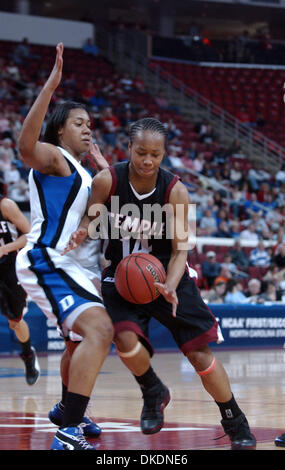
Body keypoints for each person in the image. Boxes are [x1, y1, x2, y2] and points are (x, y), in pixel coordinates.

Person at [67, 117, 256, 450]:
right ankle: (152, 390)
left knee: (200, 355)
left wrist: (169, 284)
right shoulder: (106, 180)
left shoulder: (176, 191)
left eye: (155, 154)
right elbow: (92, 217)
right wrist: (84, 228)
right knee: (123, 337)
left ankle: (234, 418)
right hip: (122, 277)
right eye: (141, 152)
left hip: (169, 274)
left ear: (164, 154)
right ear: (129, 148)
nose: (147, 160)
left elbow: (182, 249)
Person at [15, 43, 114, 451]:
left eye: (89, 122)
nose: (88, 128)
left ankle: (67, 409)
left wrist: (105, 167)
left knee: (79, 340)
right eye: (78, 122)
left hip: (74, 265)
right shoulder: (55, 157)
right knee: (100, 329)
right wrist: (50, 88)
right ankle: (68, 430)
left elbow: (103, 209)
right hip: (48, 257)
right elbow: (25, 148)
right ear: (60, 130)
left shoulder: (86, 171)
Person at [0, 196, 40, 385]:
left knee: (15, 322)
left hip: (9, 269)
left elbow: (30, 235)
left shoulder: (5, 205)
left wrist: (5, 248)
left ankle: (28, 355)